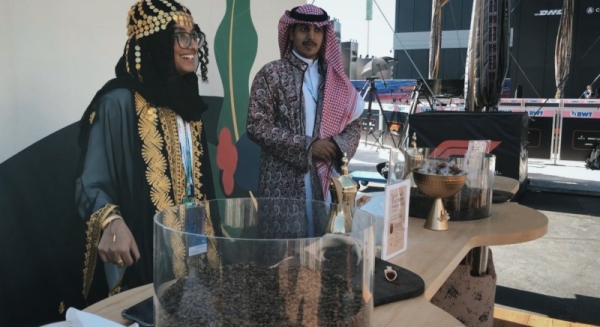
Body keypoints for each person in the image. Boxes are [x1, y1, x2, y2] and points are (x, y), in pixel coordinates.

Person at [75, 0, 217, 302]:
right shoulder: (118, 102)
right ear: (155, 42)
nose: (191, 45)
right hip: (145, 259)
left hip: (194, 250)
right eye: (180, 36)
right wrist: (112, 223)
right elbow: (91, 183)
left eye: (194, 36)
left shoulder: (189, 104)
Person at [246, 4, 364, 210]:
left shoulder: (335, 79)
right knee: (286, 242)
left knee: (325, 238)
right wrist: (307, 146)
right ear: (291, 32)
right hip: (282, 184)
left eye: (317, 30)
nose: (311, 36)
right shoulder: (271, 74)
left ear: (324, 35)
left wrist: (336, 146)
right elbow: (256, 125)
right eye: (304, 29)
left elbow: (353, 124)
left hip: (326, 179)